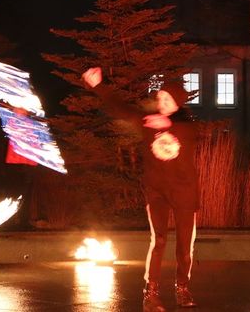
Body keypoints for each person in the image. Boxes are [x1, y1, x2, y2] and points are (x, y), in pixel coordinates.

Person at [82, 67, 199, 311]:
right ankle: (151, 292)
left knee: (185, 245)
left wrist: (168, 123)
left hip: (184, 194)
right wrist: (98, 86)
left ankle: (182, 287)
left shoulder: (187, 126)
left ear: (177, 103)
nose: (161, 102)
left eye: (167, 99)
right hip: (157, 191)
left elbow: (188, 131)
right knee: (159, 240)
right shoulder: (148, 123)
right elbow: (121, 110)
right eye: (160, 98)